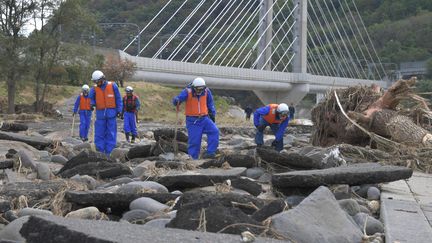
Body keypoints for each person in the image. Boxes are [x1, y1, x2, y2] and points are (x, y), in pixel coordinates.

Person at [172, 77, 219, 159]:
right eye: (197, 89)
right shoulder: (187, 91)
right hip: (192, 121)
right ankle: (193, 158)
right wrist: (176, 100)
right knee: (194, 141)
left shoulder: (207, 91)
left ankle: (210, 152)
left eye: (201, 89)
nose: (199, 91)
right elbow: (179, 98)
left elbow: (210, 104)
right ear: (194, 87)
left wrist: (212, 114)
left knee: (214, 131)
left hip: (204, 118)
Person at [88, 70, 122, 155]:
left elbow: (118, 99)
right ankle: (100, 151)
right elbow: (91, 99)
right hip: (100, 114)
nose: (97, 83)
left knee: (111, 133)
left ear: (103, 78)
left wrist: (119, 110)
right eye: (95, 81)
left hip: (111, 113)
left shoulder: (113, 86)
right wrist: (92, 104)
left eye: (98, 81)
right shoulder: (94, 89)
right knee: (99, 133)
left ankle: (109, 152)